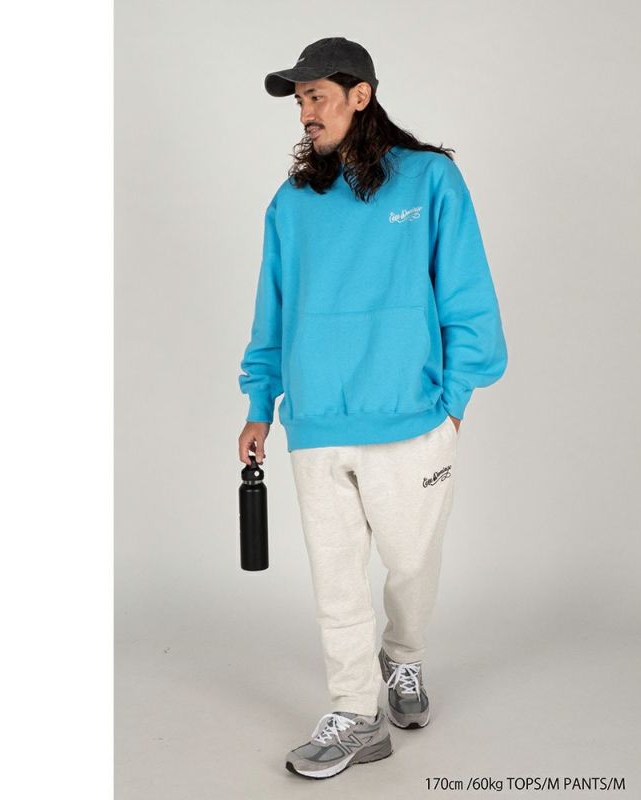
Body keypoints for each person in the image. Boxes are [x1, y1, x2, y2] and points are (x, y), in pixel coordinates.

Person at [237, 36, 508, 780]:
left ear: (361, 96)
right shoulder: (292, 203)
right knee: (336, 579)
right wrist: (260, 403)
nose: (306, 112)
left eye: (317, 96)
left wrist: (452, 406)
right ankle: (356, 713)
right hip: (317, 423)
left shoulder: (430, 179)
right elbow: (272, 312)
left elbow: (467, 298)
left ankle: (405, 654)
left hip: (414, 421)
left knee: (411, 566)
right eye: (300, 100)